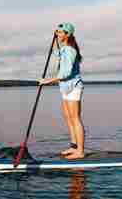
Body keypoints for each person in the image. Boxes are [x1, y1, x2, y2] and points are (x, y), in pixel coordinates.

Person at [38, 23, 85, 159]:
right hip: (65, 87)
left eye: (60, 32)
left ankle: (80, 152)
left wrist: (47, 81)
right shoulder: (64, 49)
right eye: (57, 32)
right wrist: (54, 39)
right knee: (69, 117)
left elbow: (66, 73)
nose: (58, 34)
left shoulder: (70, 50)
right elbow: (56, 52)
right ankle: (74, 147)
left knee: (75, 119)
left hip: (73, 86)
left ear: (67, 34)